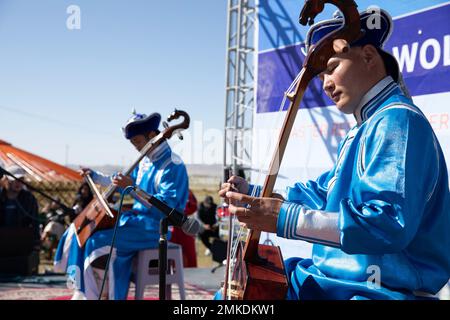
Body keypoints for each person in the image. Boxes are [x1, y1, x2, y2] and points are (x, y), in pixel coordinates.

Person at [219, 9, 450, 300]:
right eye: (322, 74)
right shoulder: (367, 126)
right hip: (339, 280)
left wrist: (283, 218)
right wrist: (255, 194)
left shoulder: (397, 121)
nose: (325, 82)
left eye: (331, 67)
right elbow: (324, 196)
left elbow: (387, 223)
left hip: (376, 289)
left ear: (368, 57)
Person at [54, 110, 189, 300]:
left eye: (138, 142)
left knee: (96, 243)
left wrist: (132, 189)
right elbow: (123, 183)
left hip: (155, 229)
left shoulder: (172, 165)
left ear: (152, 136)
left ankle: (97, 295)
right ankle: (87, 291)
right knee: (82, 231)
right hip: (136, 223)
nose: (136, 148)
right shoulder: (145, 163)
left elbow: (168, 206)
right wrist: (95, 176)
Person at [0, 165, 40, 250]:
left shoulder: (29, 198)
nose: (18, 183)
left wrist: (36, 242)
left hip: (21, 242)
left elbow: (35, 221)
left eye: (21, 180)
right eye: (15, 180)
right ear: (7, 180)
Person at [170, 189, 198, 268]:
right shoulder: (163, 188)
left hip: (184, 227)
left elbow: (193, 206)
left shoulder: (186, 191)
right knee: (170, 257)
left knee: (190, 257)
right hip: (170, 229)